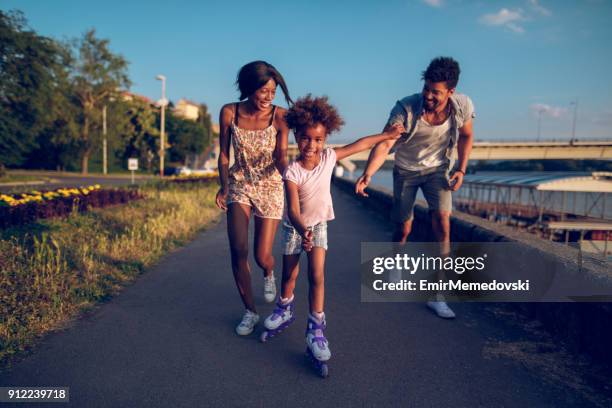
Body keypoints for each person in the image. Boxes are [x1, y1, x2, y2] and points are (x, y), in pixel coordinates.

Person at [260, 95, 405, 362]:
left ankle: (316, 326)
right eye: (305, 138)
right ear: (296, 137)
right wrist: (302, 231)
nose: (311, 145)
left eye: (318, 140)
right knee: (289, 275)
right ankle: (285, 308)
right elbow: (292, 210)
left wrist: (386, 135)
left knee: (317, 276)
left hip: (319, 227)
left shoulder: (329, 158)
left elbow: (359, 145)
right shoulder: (292, 172)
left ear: (325, 139)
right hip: (294, 228)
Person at [355, 57, 475, 319]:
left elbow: (466, 136)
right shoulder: (405, 109)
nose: (429, 96)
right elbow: (385, 143)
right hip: (406, 171)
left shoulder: (462, 105)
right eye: (427, 89)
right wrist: (368, 174)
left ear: (451, 92)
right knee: (403, 227)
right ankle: (396, 264)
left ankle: (438, 294)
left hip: (438, 170)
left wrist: (461, 169)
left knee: (443, 224)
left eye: (436, 92)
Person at [215, 61, 292, 336]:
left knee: (262, 256)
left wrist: (292, 178)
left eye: (273, 92)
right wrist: (224, 187)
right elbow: (224, 155)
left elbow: (281, 156)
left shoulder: (281, 117)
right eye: (263, 91)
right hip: (239, 184)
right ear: (249, 88)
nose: (268, 97)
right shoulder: (229, 112)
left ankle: (268, 273)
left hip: (270, 186)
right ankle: (250, 312)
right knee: (238, 249)